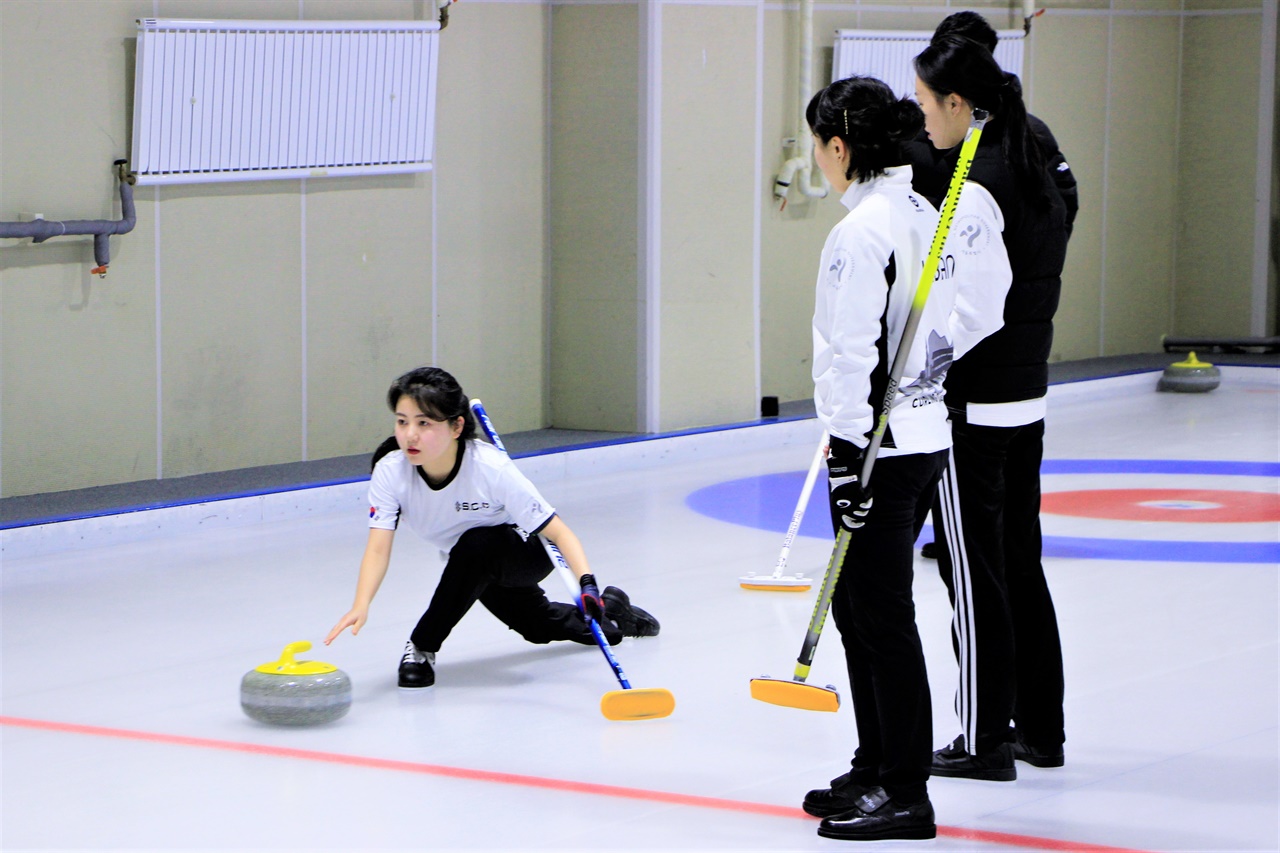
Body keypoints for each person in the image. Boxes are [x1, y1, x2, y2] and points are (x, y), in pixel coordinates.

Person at [797, 75, 957, 843]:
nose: (817, 161)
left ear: (840, 147)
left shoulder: (863, 231)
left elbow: (850, 350)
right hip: (919, 438)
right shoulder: (923, 210)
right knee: (864, 612)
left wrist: (846, 455)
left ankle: (906, 791)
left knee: (883, 616)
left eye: (818, 147)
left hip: (879, 451)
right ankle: (875, 763)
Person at [910, 34, 1069, 781]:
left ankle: (982, 739)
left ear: (957, 102)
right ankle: (1041, 728)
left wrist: (920, 368)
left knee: (975, 576)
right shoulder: (1030, 146)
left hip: (977, 403)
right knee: (1017, 562)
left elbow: (974, 310)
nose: (920, 119)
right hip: (1025, 393)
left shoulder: (980, 178)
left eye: (923, 103)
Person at [325, 366, 659, 688]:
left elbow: (559, 532)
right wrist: (361, 602)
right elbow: (378, 547)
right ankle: (614, 615)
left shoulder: (489, 467)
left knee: (477, 543)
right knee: (537, 627)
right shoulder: (390, 470)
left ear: (456, 427)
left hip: (525, 549)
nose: (409, 434)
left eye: (424, 423)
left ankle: (422, 647)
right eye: (402, 421)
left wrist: (588, 586)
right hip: (471, 562)